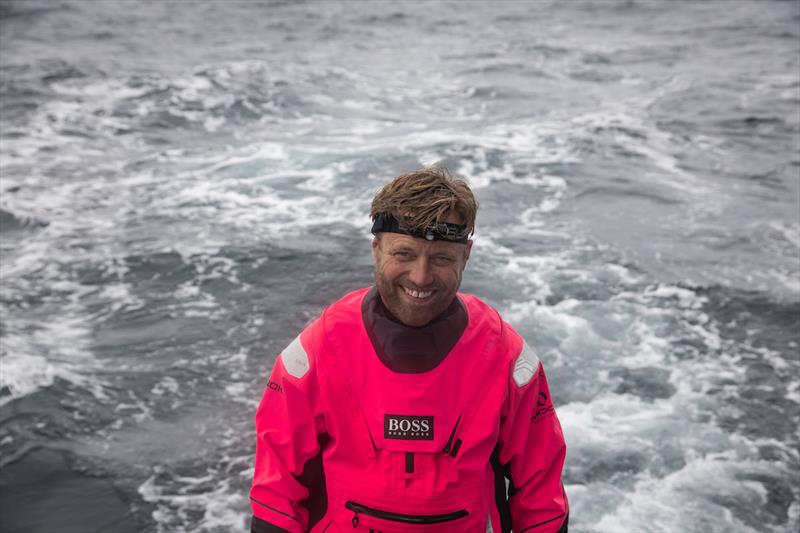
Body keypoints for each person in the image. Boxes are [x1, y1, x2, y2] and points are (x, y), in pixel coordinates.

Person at [250, 166, 569, 533]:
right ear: (376, 249)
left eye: (441, 259)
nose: (420, 277)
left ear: (466, 255)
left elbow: (542, 499)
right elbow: (276, 496)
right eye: (404, 254)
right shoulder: (312, 355)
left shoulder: (510, 360)